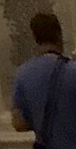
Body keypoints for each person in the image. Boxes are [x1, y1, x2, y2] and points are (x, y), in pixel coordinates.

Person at [12, 12, 76, 145]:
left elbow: (18, 123)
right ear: (59, 35)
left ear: (35, 37)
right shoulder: (72, 70)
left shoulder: (22, 74)